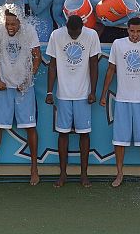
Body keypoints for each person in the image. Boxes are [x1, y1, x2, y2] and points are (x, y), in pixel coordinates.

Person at [100, 17, 140, 187]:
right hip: (123, 99)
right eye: (132, 31)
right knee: (119, 140)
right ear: (127, 30)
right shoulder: (118, 44)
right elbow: (111, 70)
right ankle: (119, 174)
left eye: (138, 31)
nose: (135, 35)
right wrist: (103, 94)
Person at [45, 15, 101, 188]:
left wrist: (93, 91)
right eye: (71, 32)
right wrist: (49, 91)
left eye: (76, 33)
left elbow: (94, 64)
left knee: (84, 134)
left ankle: (84, 175)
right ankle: (63, 174)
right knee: (63, 134)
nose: (74, 35)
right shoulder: (56, 35)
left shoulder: (91, 35)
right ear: (66, 27)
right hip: (63, 94)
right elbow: (52, 65)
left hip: (83, 94)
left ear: (82, 28)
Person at [0, 6, 41, 186]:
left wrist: (28, 80)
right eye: (7, 23)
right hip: (4, 87)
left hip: (23, 87)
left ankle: (34, 169)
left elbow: (37, 57)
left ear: (20, 22)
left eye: (13, 23)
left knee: (30, 127)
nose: (10, 27)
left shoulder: (29, 31)